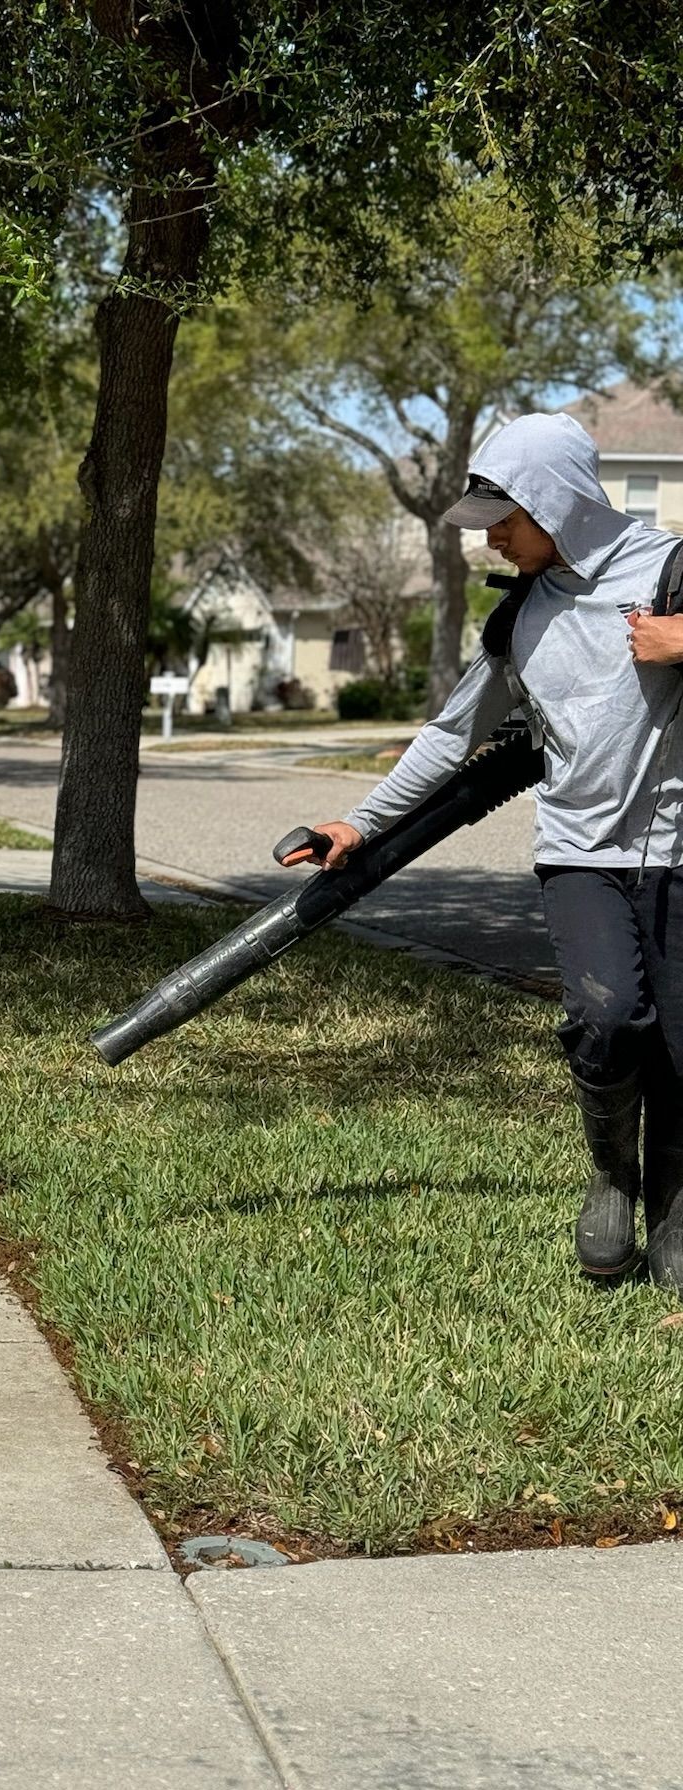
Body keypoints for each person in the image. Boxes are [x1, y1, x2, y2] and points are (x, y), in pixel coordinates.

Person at [284, 411, 683, 1288]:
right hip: (581, 854)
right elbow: (446, 736)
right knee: (608, 1018)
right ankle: (614, 1174)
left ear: (560, 502)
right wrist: (361, 822)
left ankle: (674, 1209)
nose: (493, 540)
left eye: (505, 519)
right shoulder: (519, 622)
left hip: (678, 859)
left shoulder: (672, 571)